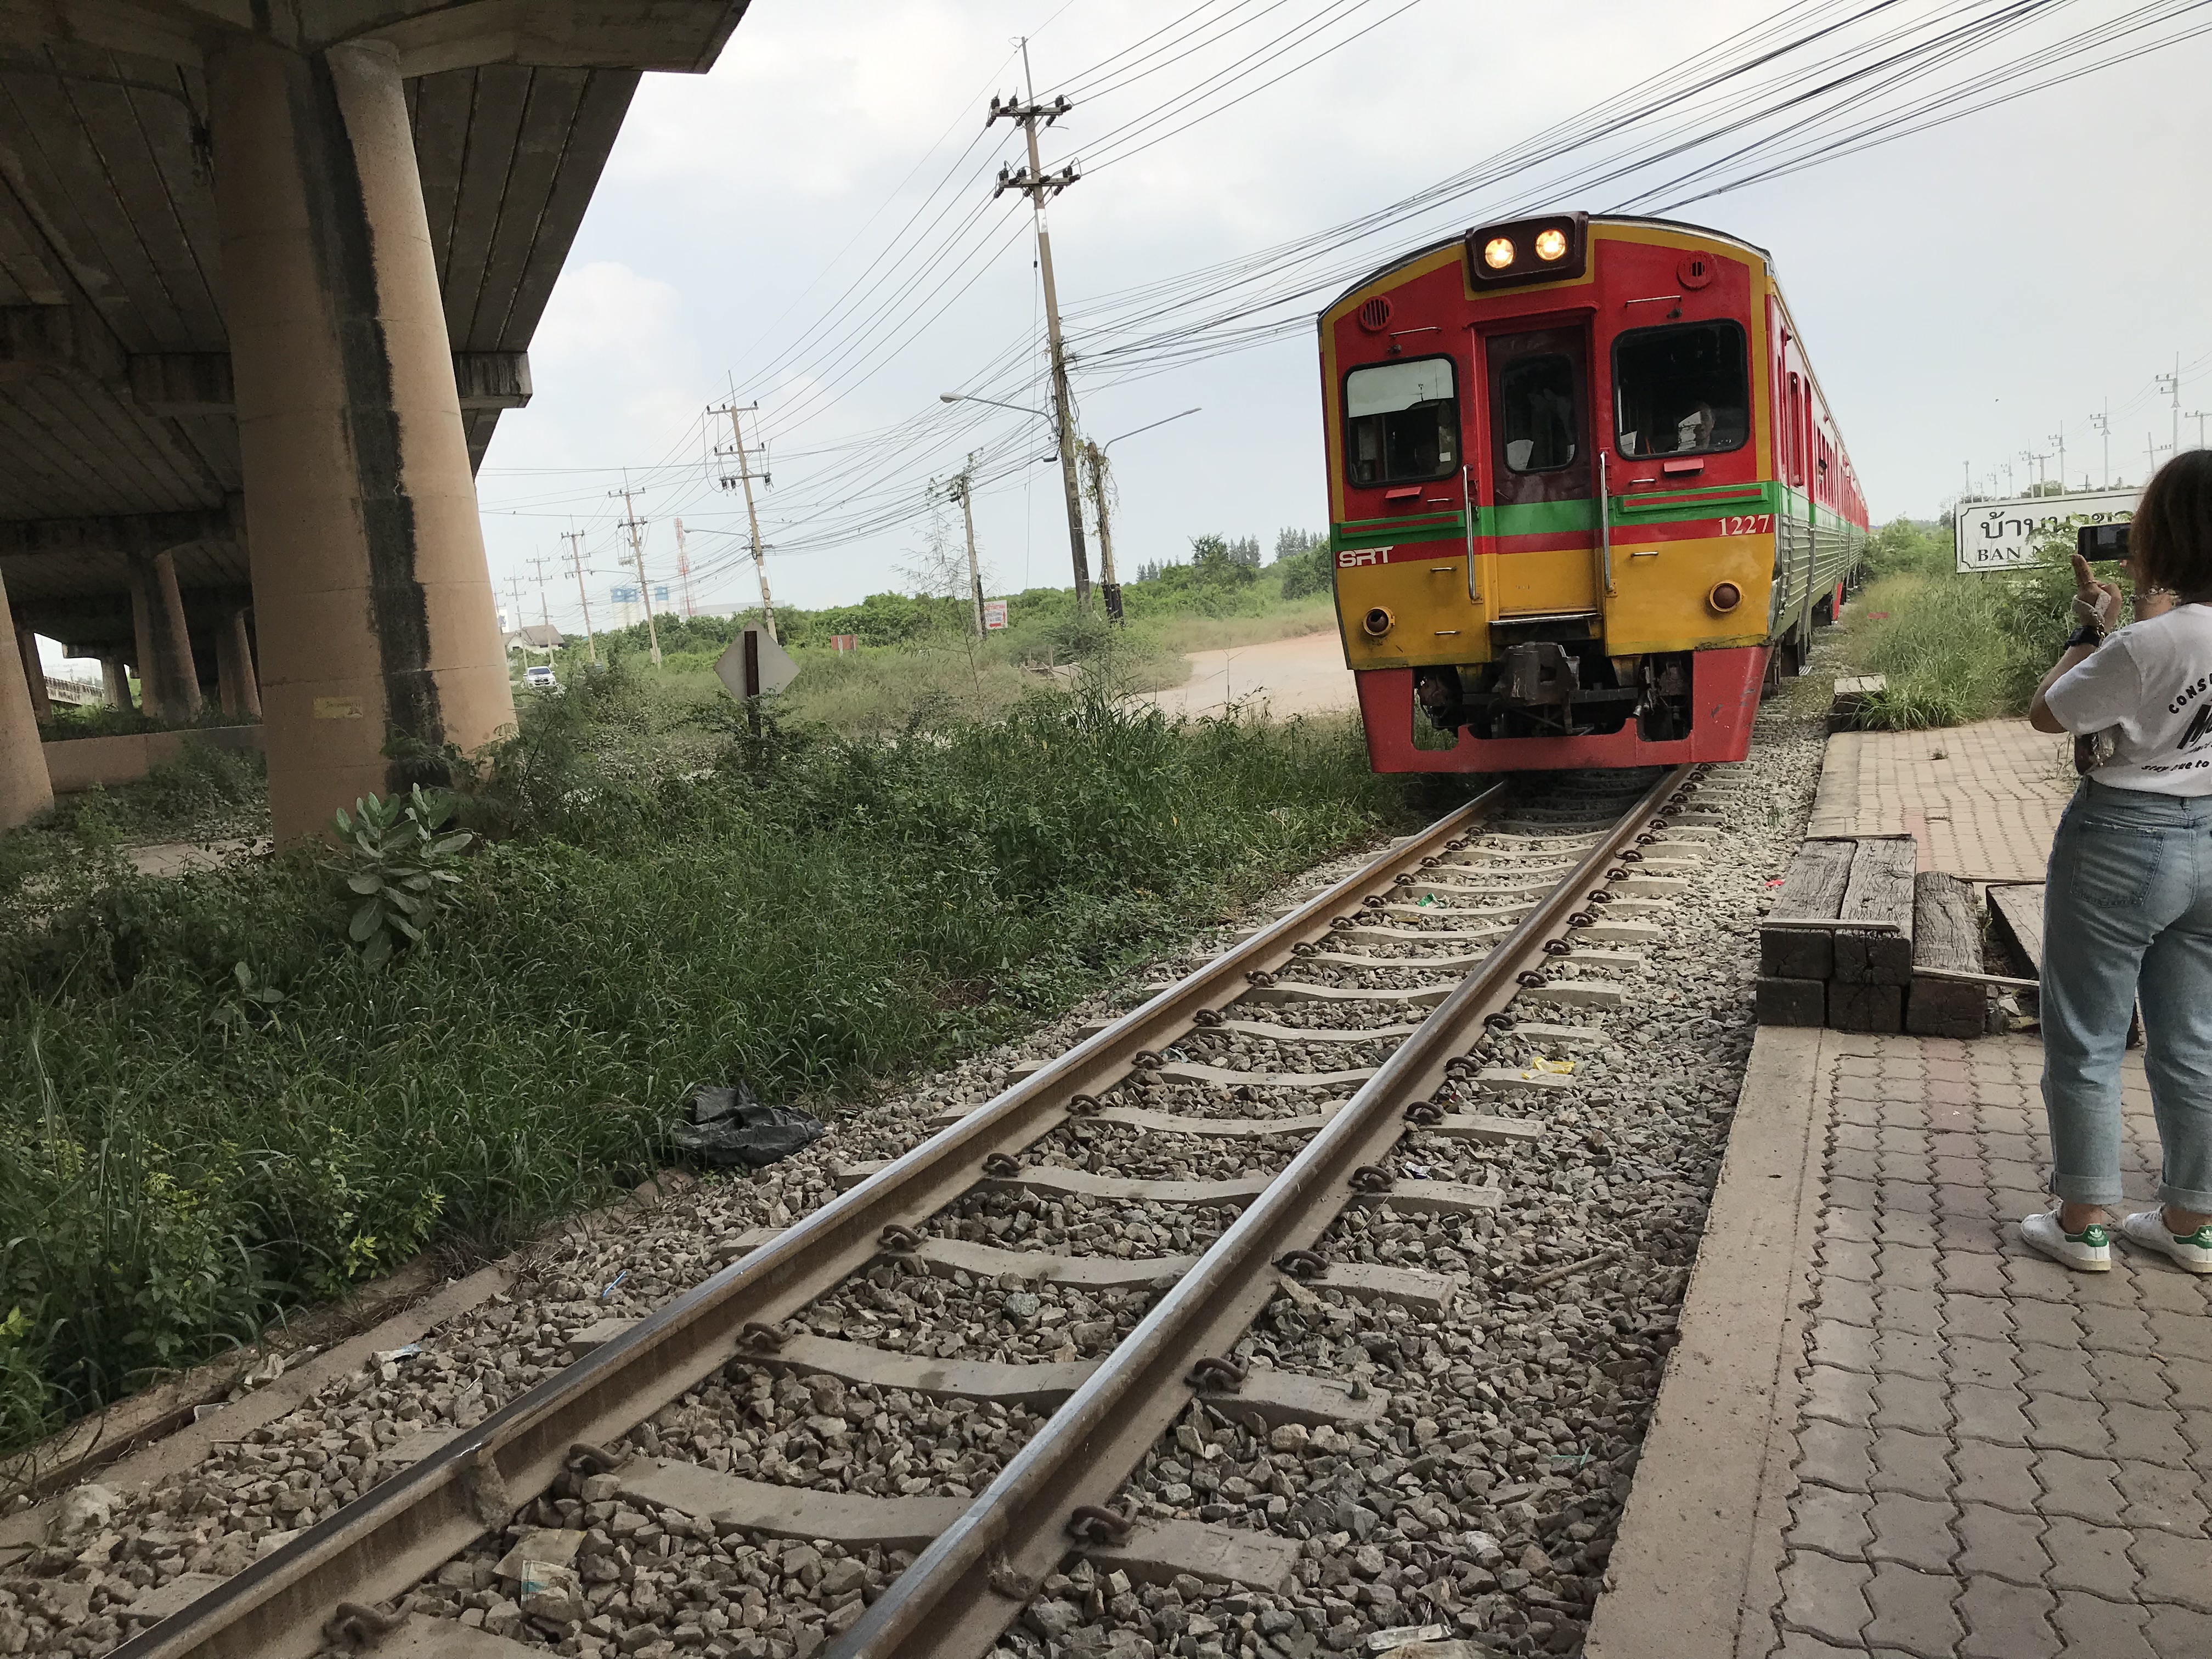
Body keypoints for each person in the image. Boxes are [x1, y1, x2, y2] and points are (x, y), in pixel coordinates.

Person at [2022, 448, 2212, 1273]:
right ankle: (2190, 1221)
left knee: (2087, 1035)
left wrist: (2088, 628)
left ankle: (2082, 1222)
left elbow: (2048, 713)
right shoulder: (2165, 632)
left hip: (2123, 841)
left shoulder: (2145, 645)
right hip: (2209, 840)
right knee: (2194, 1038)